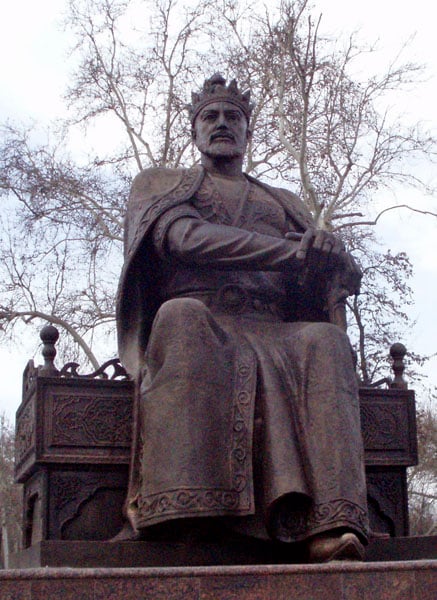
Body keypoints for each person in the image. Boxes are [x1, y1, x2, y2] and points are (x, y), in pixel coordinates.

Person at [116, 74, 369, 561]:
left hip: (274, 327)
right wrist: (291, 251)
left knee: (326, 342)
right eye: (210, 117)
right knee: (183, 318)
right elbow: (185, 239)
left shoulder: (284, 203)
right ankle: (191, 514)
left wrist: (332, 257)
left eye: (233, 117)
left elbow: (327, 276)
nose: (222, 124)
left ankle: (330, 525)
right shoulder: (162, 184)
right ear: (194, 131)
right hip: (204, 319)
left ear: (248, 132)